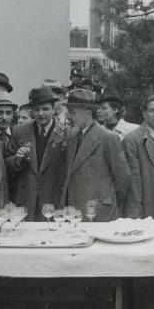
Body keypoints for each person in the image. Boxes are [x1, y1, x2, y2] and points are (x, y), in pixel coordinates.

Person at [59, 89, 130, 221]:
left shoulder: (108, 138)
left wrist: (109, 203)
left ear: (87, 113)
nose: (68, 116)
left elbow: (123, 178)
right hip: (74, 211)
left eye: (72, 112)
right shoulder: (72, 137)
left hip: (98, 212)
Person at [7, 87, 67, 221]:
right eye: (36, 110)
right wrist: (17, 159)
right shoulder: (18, 131)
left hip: (53, 199)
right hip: (26, 198)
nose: (40, 113)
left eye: (45, 109)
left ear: (53, 109)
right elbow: (7, 162)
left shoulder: (65, 132)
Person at [123, 95, 154, 220]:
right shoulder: (132, 140)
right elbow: (133, 184)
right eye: (152, 110)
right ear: (144, 113)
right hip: (148, 207)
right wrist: (135, 215)